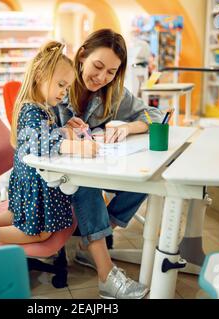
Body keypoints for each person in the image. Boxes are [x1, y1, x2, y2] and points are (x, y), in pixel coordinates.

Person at [52, 29, 164, 299]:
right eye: (98, 66)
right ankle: (106, 274)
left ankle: (91, 241)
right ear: (82, 56)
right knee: (85, 183)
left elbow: (156, 115)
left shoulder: (112, 93)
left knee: (145, 178)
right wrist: (65, 132)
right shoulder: (56, 83)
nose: (102, 78)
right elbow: (30, 132)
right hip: (54, 176)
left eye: (111, 72)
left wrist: (128, 127)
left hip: (90, 166)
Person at [0, 41, 99, 257]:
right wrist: (78, 147)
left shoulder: (38, 106)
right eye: (61, 85)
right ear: (40, 77)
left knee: (16, 215)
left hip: (27, 181)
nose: (64, 92)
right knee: (40, 234)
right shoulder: (33, 110)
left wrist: (63, 130)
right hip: (35, 185)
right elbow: (41, 144)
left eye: (67, 87)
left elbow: (38, 137)